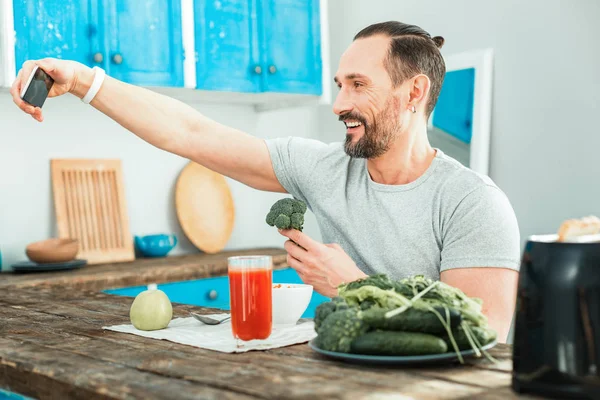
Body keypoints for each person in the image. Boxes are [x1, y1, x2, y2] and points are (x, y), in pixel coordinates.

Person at [10, 21, 520, 342]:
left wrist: (354, 286)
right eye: (339, 85)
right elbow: (188, 132)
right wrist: (83, 81)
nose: (339, 103)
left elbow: (484, 333)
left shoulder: (472, 202)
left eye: (359, 85)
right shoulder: (322, 169)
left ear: (415, 92)